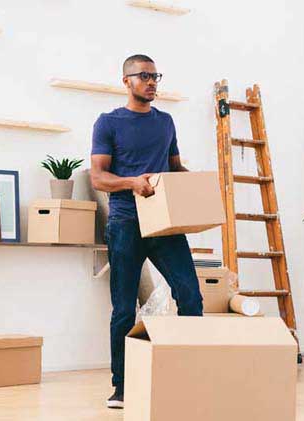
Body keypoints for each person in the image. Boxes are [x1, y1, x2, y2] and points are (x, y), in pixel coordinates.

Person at [90, 54, 204, 409]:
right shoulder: (108, 122)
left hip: (165, 223)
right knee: (123, 309)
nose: (152, 82)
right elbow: (98, 177)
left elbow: (174, 167)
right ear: (126, 81)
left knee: (191, 296)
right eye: (144, 76)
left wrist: (200, 185)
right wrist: (131, 183)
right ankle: (121, 386)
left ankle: (189, 374)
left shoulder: (166, 122)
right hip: (125, 223)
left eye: (156, 76)